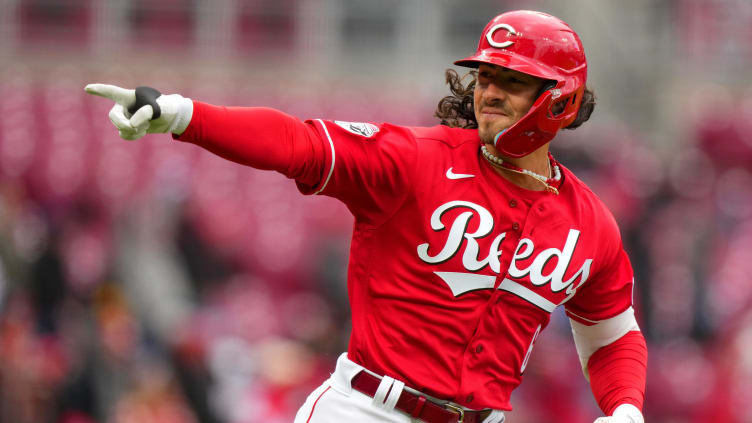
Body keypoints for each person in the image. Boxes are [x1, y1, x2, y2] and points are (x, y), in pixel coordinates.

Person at [85, 10, 647, 423]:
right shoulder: (414, 159)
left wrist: (625, 409)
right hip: (366, 409)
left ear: (560, 100)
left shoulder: (590, 223)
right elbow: (296, 142)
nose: (491, 92)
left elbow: (613, 334)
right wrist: (184, 114)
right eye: (487, 77)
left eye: (514, 81)